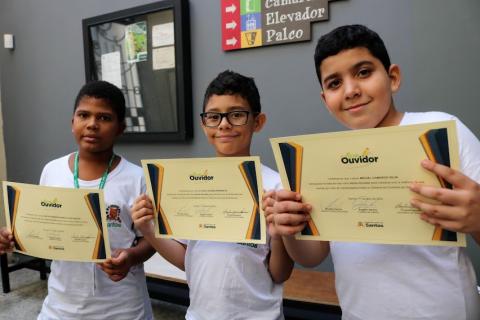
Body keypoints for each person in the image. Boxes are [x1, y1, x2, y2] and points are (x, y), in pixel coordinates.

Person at [264, 24, 480, 320]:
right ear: (325, 99)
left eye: (363, 72)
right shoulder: (320, 159)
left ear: (393, 78)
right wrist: (288, 230)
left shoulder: (441, 131)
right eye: (334, 83)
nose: (351, 91)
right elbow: (312, 257)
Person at [132, 70, 294, 320]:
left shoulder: (276, 187)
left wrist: (280, 237)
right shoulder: (191, 184)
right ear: (203, 123)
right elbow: (188, 259)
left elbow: (280, 274)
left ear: (258, 122)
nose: (224, 124)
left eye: (237, 115)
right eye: (214, 116)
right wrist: (147, 229)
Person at [1, 80, 155, 319]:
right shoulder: (52, 170)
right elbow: (41, 227)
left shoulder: (137, 179)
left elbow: (151, 240)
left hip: (122, 308)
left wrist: (131, 257)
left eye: (104, 118)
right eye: (84, 115)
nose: (92, 124)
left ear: (121, 128)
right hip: (61, 307)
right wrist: (13, 237)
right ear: (72, 122)